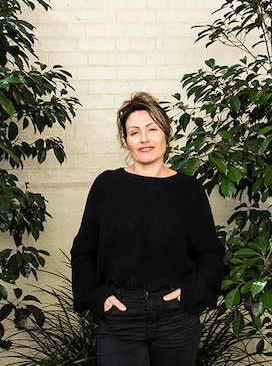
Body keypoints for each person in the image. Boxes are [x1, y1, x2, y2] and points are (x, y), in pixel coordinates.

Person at [70, 92, 225, 366]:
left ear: (166, 133)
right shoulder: (107, 187)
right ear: (126, 141)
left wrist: (192, 294)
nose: (144, 139)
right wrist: (97, 297)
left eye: (152, 129)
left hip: (175, 317)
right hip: (119, 316)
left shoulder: (188, 190)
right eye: (134, 132)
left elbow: (210, 253)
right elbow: (83, 251)